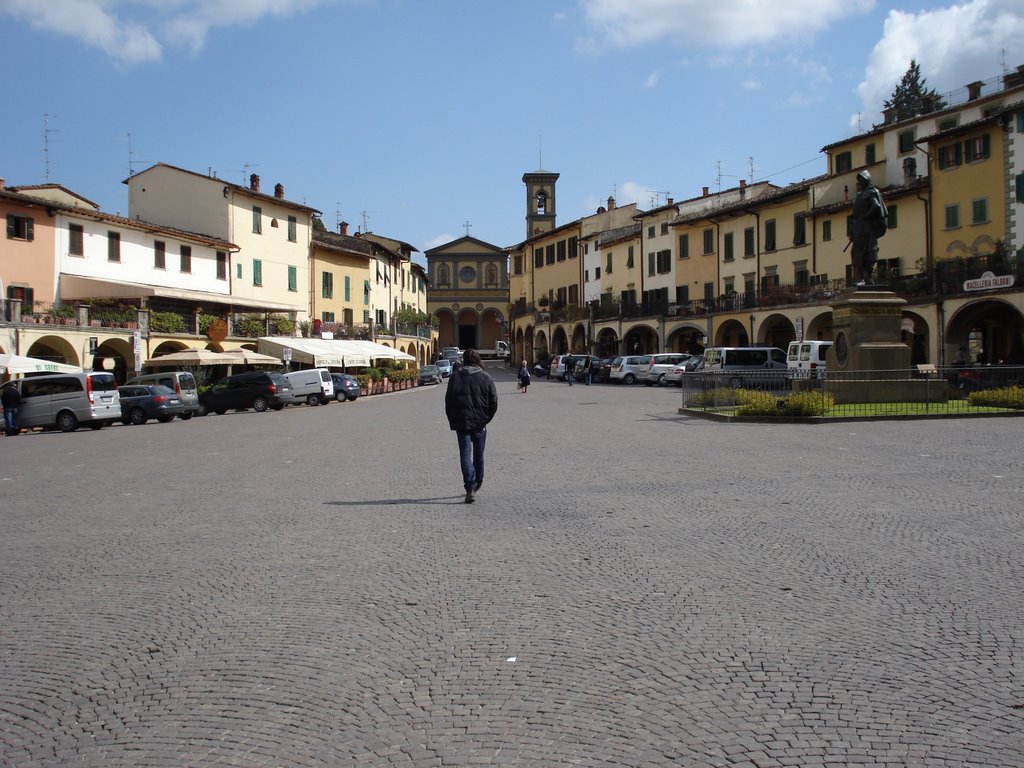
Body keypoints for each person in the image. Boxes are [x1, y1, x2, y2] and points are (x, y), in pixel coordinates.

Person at [444, 349, 498, 504]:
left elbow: (449, 401)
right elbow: (493, 403)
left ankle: (470, 487)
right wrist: (486, 419)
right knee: (478, 455)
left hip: (461, 422)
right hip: (480, 423)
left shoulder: (455, 377)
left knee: (465, 455)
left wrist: (453, 419)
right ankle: (477, 482)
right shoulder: (486, 377)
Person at [849, 169, 888, 285]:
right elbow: (854, 216)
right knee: (858, 254)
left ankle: (868, 278)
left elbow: (876, 206)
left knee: (870, 253)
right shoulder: (859, 195)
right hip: (859, 230)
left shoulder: (871, 192)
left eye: (862, 180)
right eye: (859, 180)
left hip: (867, 229)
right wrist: (852, 232)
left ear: (867, 181)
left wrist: (866, 216)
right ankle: (861, 278)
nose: (860, 182)